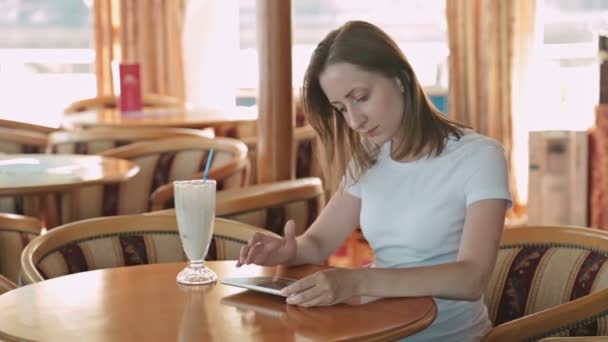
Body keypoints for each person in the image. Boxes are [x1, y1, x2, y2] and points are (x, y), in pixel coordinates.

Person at [237, 20, 511, 341]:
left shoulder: (479, 156)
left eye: (361, 97)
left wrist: (356, 281)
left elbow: (470, 278)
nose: (354, 120)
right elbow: (319, 243)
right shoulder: (370, 156)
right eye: (341, 108)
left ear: (400, 79)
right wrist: (287, 252)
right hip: (377, 328)